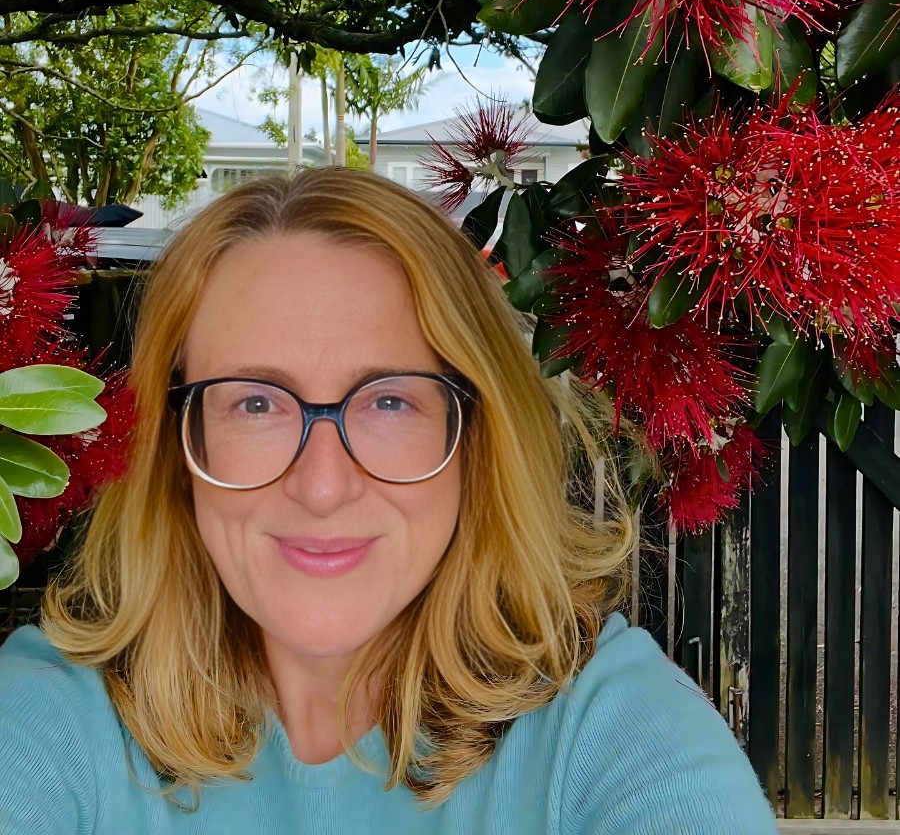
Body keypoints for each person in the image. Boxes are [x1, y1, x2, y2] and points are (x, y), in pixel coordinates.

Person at [0, 168, 778, 833]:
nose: (324, 485)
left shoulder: (605, 728)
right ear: (177, 447)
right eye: (256, 405)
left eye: (390, 402)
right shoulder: (56, 715)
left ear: (477, 438)